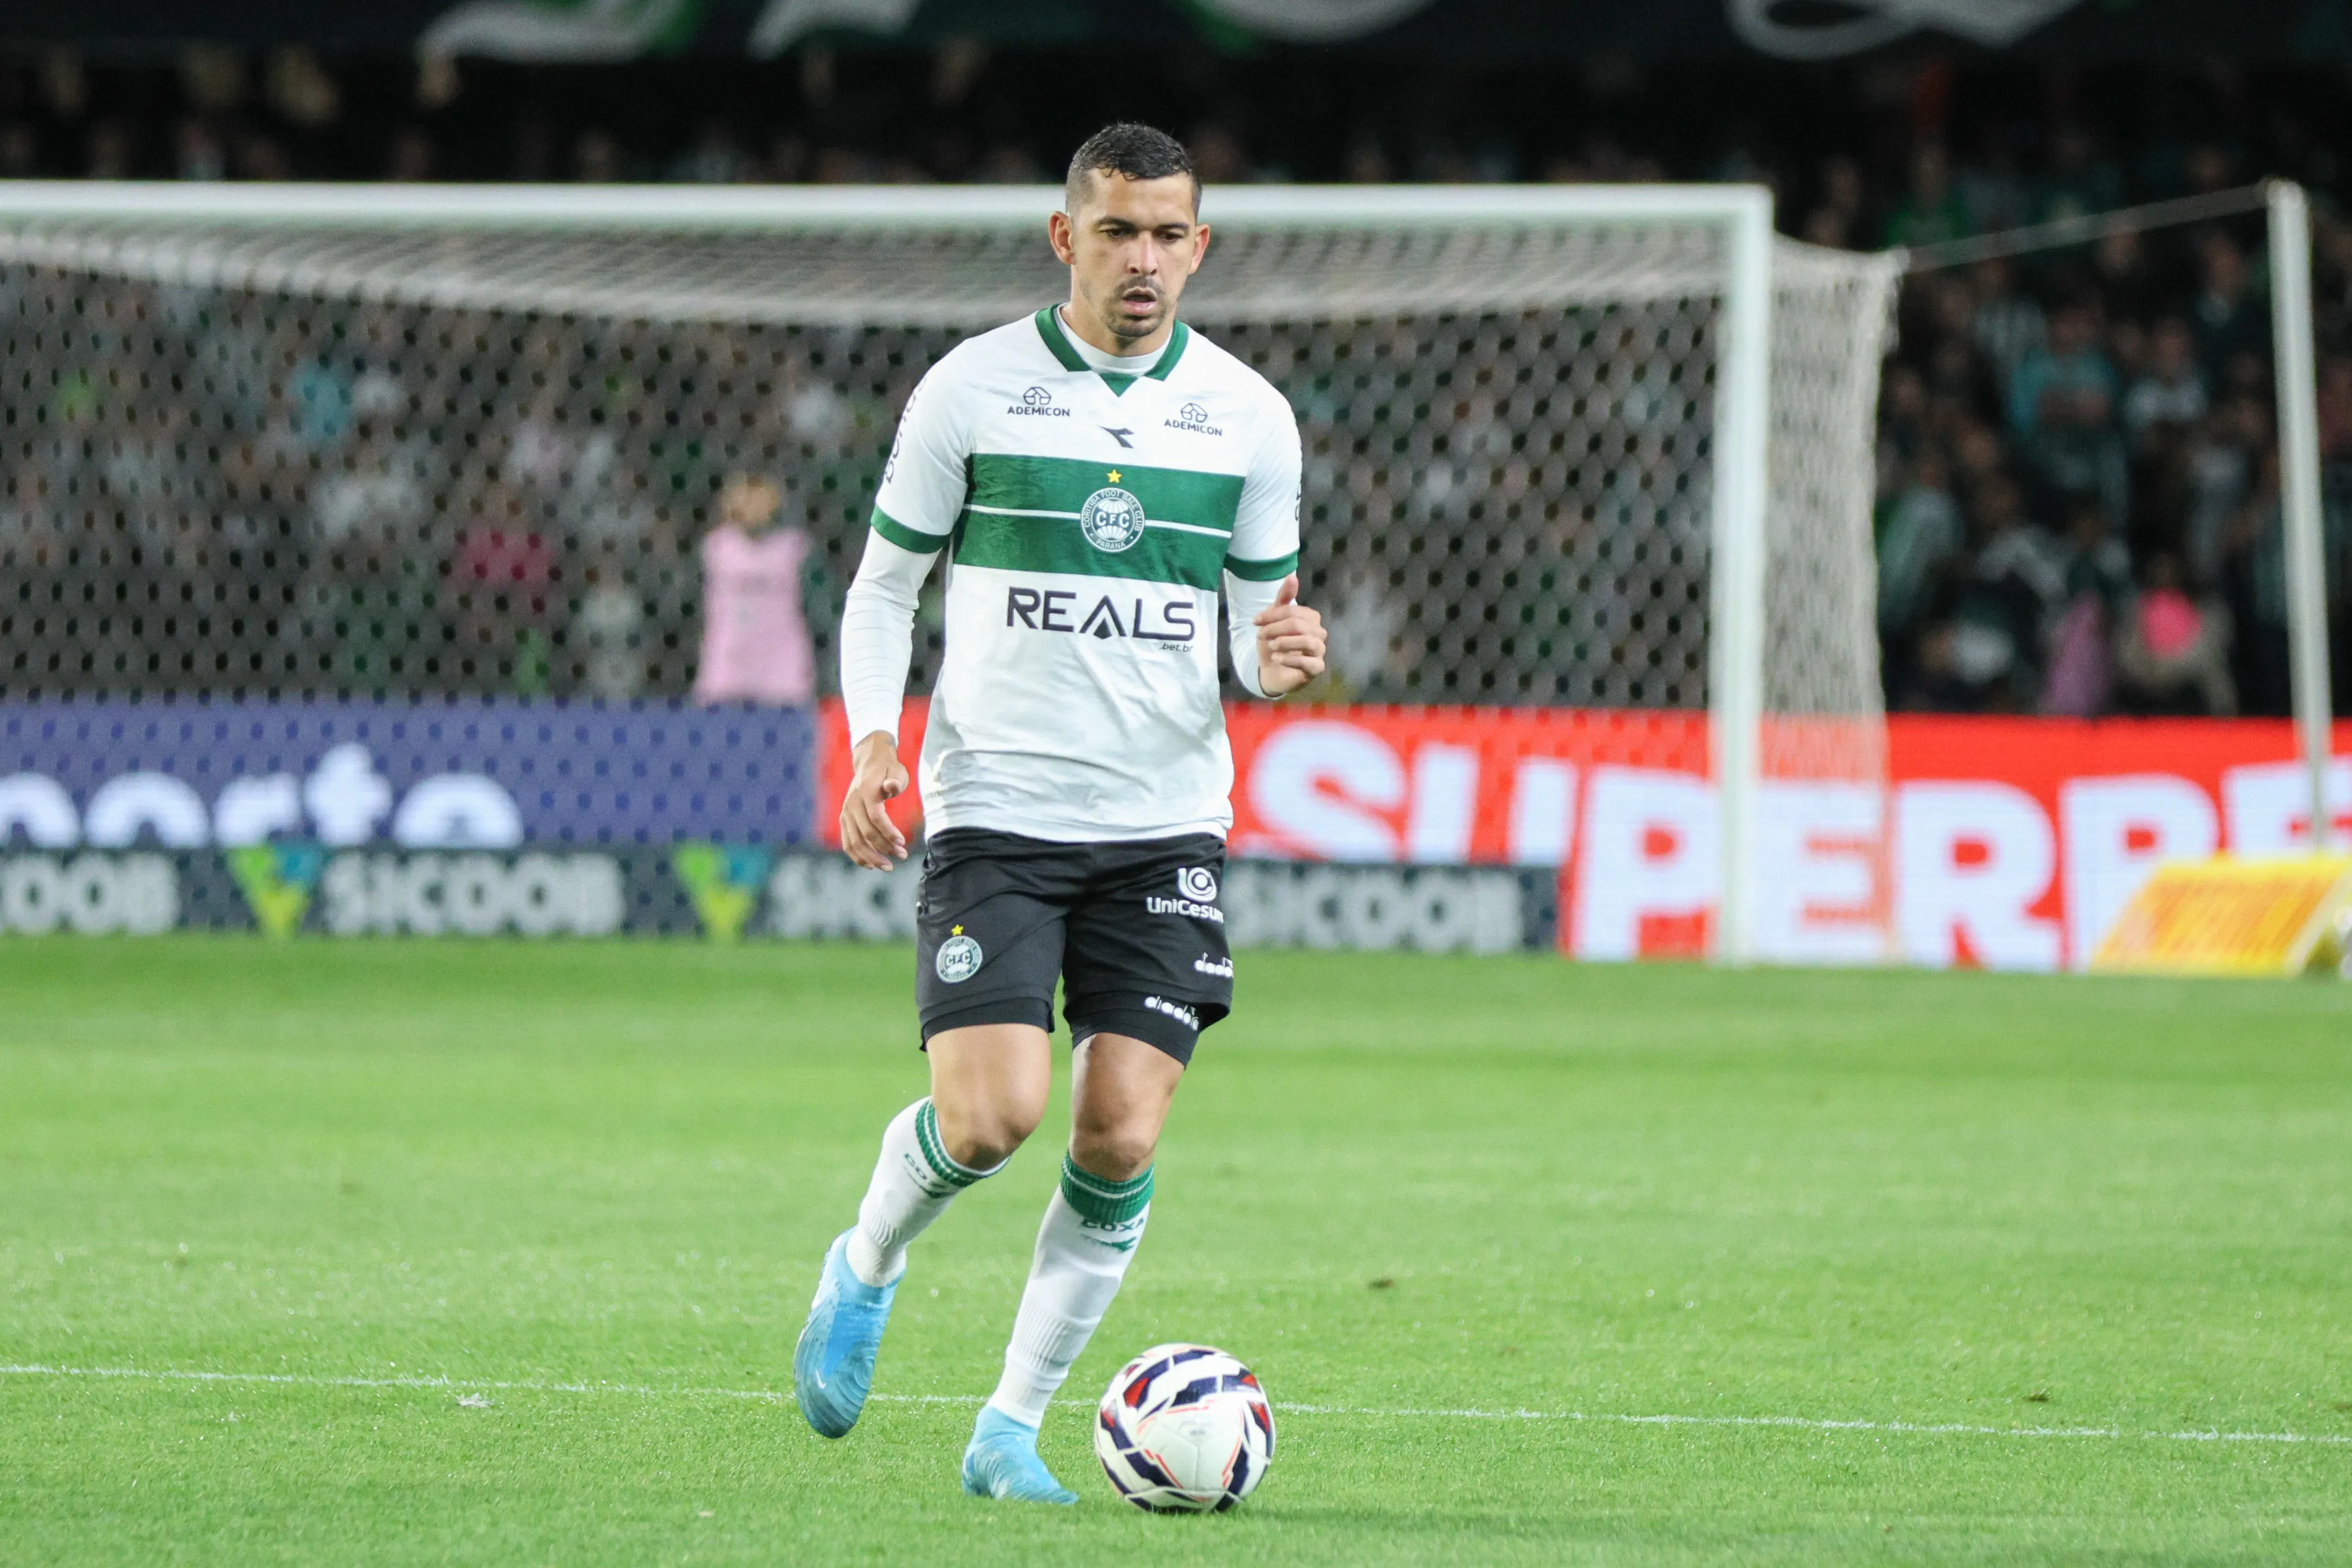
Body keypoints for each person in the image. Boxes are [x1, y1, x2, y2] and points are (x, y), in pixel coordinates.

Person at [798, 123, 1326, 1504]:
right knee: (987, 1121)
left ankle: (1007, 1432)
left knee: (1120, 1138)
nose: (1143, 259)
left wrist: (1273, 663)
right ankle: (866, 1263)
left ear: (1199, 246)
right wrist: (870, 747)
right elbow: (880, 591)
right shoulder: (971, 392)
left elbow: (1244, 635)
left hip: (1163, 821)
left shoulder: (1249, 419)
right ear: (1065, 236)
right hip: (999, 812)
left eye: (1167, 235)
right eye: (1117, 232)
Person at [691, 473, 815, 706]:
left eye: (760, 499)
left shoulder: (794, 548)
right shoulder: (716, 547)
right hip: (728, 660)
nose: (753, 507)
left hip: (782, 662)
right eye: (746, 499)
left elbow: (816, 607)